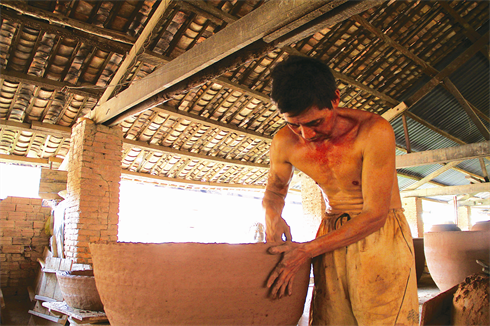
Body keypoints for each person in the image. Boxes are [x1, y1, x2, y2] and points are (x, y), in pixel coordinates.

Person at [262, 55, 419, 325]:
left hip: (381, 234)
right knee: (330, 319)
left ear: (334, 99)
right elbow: (275, 191)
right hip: (331, 233)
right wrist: (272, 215)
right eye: (293, 123)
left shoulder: (373, 131)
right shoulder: (284, 142)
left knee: (383, 319)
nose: (305, 134)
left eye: (314, 123)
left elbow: (375, 214)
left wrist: (306, 250)